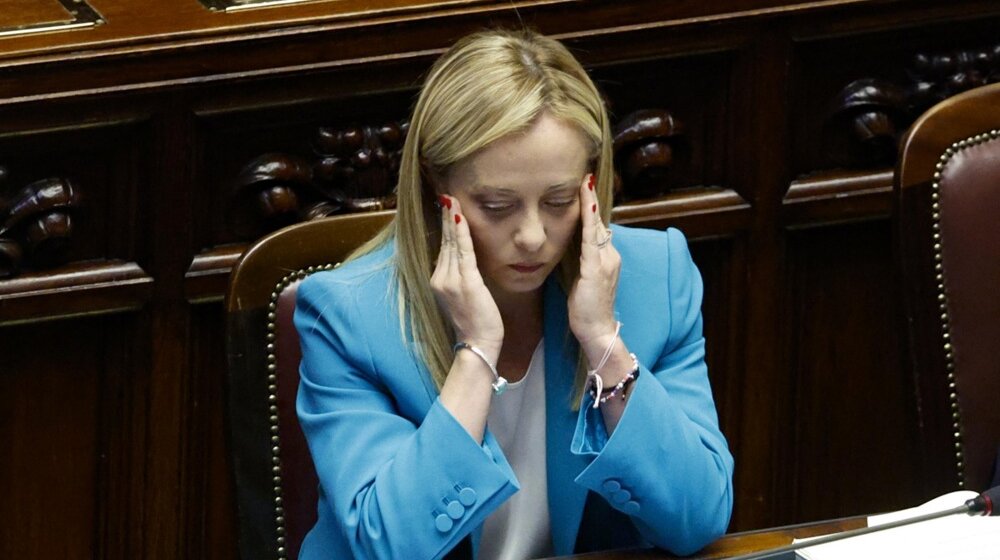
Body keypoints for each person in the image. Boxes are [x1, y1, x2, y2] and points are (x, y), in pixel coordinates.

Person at [294, 29, 734, 560]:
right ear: (437, 186)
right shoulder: (348, 316)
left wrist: (604, 343)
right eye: (497, 206)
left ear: (591, 183)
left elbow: (699, 518)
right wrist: (477, 353)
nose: (532, 236)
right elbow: (389, 546)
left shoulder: (656, 278)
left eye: (558, 200)